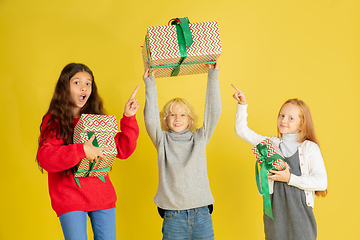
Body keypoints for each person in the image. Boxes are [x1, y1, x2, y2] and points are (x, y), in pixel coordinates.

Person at [36, 63, 140, 240]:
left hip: (102, 195)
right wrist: (81, 150)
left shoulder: (97, 120)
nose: (84, 87)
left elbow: (122, 150)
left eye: (88, 83)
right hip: (69, 197)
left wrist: (129, 118)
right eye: (77, 82)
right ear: (64, 86)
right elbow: (46, 158)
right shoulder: (54, 121)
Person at [231, 84, 327, 240]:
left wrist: (289, 178)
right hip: (275, 216)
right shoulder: (270, 144)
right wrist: (242, 105)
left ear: (301, 123)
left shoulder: (309, 148)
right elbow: (242, 131)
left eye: (291, 118)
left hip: (301, 218)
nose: (284, 120)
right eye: (282, 115)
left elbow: (322, 182)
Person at [142, 63, 221, 240]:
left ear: (190, 119)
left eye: (183, 115)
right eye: (172, 114)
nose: (177, 118)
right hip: (173, 215)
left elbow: (213, 113)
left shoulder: (199, 138)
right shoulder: (162, 140)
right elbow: (150, 120)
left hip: (202, 213)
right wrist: (150, 83)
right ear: (166, 119)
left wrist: (213, 76)